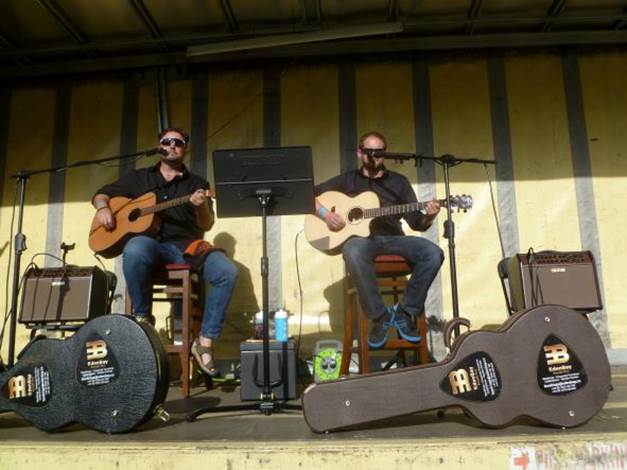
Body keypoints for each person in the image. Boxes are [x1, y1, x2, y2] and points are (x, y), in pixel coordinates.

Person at [92, 127, 237, 376]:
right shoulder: (139, 178)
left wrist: (200, 207)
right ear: (159, 146)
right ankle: (143, 319)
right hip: (150, 245)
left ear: (184, 149)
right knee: (135, 248)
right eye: (167, 141)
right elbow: (101, 194)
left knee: (227, 271)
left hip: (185, 246)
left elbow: (206, 224)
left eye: (178, 143)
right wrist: (103, 207)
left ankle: (203, 344)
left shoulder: (197, 184)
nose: (172, 146)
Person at [314, 131, 444, 349]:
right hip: (363, 243)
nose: (374, 156)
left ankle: (406, 311)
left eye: (379, 152)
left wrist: (429, 215)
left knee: (433, 252)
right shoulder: (348, 180)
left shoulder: (399, 182)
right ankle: (379, 316)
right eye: (369, 151)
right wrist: (326, 215)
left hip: (394, 239)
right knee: (353, 250)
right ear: (359, 152)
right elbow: (309, 194)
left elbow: (415, 223)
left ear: (385, 154)